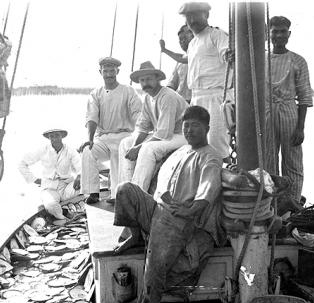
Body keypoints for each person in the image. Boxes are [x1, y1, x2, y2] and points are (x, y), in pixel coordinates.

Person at [113, 106, 224, 303]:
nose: (189, 129)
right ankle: (135, 236)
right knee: (124, 190)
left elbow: (208, 191)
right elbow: (161, 183)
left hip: (180, 222)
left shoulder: (211, 156)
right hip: (159, 209)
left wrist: (189, 210)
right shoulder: (181, 150)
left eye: (195, 125)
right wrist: (161, 195)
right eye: (186, 125)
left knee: (153, 275)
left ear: (206, 128)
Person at [80, 57, 142, 204]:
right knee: (88, 151)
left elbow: (138, 115)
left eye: (112, 70)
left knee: (118, 154)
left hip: (124, 135)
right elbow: (92, 117)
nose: (109, 74)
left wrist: (140, 136)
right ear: (100, 72)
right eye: (105, 70)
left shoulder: (128, 91)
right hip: (103, 137)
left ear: (117, 71)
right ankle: (93, 192)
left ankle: (117, 194)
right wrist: (90, 139)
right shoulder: (96, 94)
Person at [118, 61, 188, 192]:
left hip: (182, 135)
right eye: (142, 80)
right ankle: (125, 191)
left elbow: (163, 133)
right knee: (125, 143)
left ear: (157, 79)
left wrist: (139, 147)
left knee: (147, 149)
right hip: (167, 135)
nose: (145, 83)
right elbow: (143, 127)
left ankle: (139, 195)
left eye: (149, 79)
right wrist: (134, 146)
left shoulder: (167, 96)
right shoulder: (147, 98)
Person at [265, 16, 313, 201]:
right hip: (267, 113)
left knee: (292, 160)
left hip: (289, 112)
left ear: (289, 34)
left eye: (283, 31)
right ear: (269, 33)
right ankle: (271, 203)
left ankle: (292, 201)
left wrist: (300, 127)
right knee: (268, 159)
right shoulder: (262, 60)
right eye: (275, 31)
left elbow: (304, 97)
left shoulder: (298, 61)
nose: (279, 35)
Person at [179, 2, 233, 160]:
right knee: (197, 142)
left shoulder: (216, 35)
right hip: (197, 97)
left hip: (216, 96)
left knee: (217, 142)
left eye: (196, 14)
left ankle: (223, 179)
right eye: (188, 16)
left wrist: (229, 55)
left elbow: (226, 52)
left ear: (206, 15)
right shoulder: (193, 43)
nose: (192, 19)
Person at [18, 129, 81, 225]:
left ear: (62, 136)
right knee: (51, 206)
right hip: (49, 188)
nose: (54, 138)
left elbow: (80, 166)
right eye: (52, 136)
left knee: (88, 184)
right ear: (48, 138)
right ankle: (63, 216)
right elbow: (22, 164)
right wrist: (34, 180)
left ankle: (69, 208)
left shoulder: (70, 150)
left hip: (67, 186)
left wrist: (79, 176)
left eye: (57, 135)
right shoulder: (42, 150)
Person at [159, 24, 194, 103]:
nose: (182, 41)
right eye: (180, 39)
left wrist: (164, 50)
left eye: (185, 38)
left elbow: (181, 58)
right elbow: (172, 83)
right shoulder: (179, 63)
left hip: (196, 101)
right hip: (180, 102)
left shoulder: (200, 55)